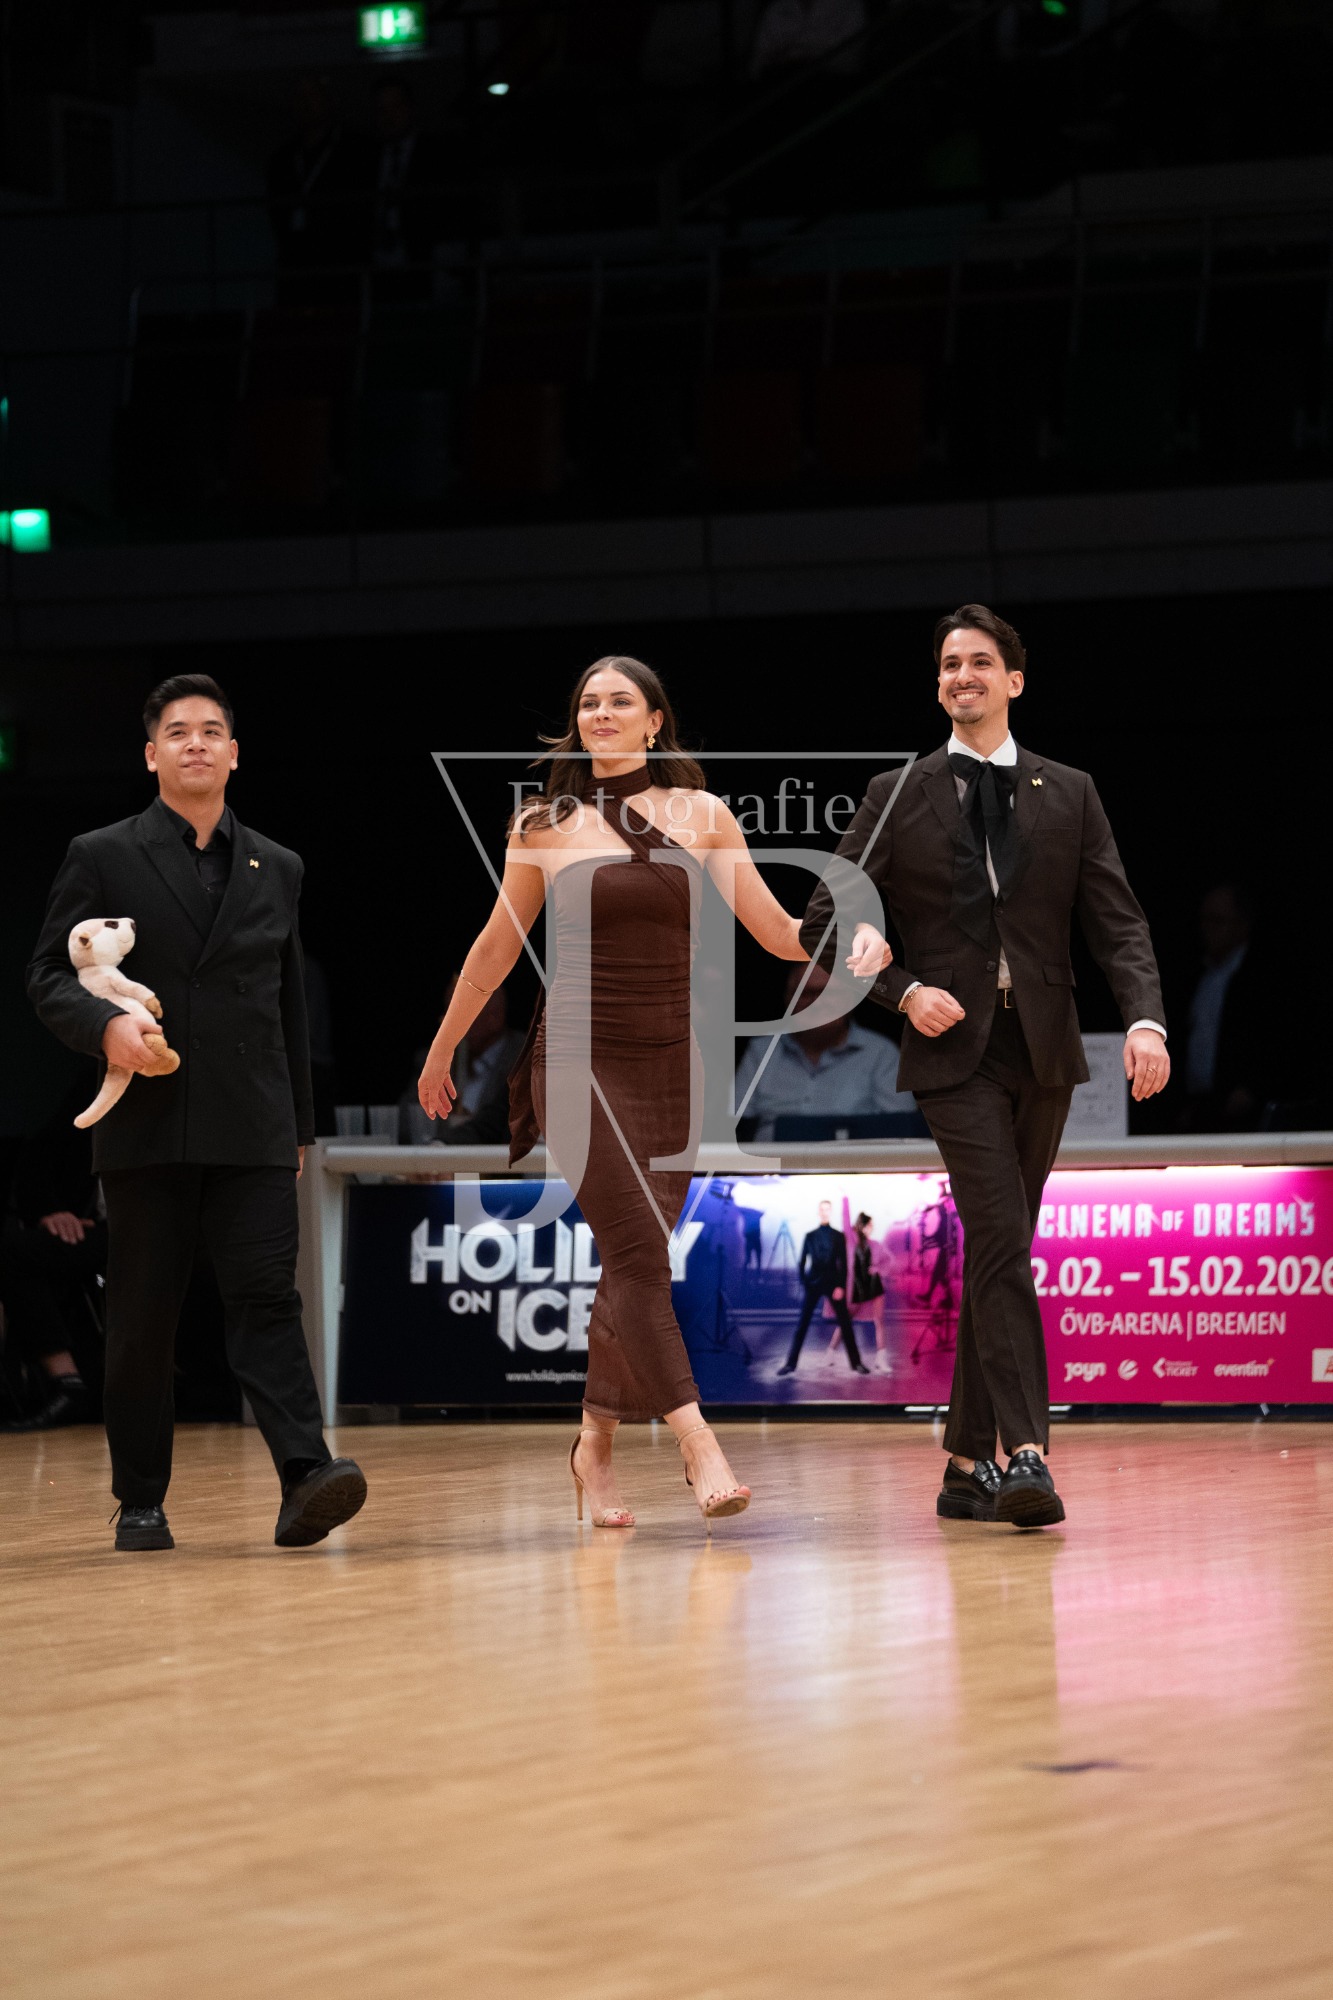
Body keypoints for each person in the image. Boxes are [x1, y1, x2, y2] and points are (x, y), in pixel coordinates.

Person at [417, 653, 888, 1528]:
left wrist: (852, 938)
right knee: (640, 1259)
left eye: (618, 701)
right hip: (575, 1059)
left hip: (672, 1063)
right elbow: (493, 950)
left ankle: (592, 1445)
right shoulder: (542, 825)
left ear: (653, 720)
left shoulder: (703, 815)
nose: (600, 714)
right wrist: (443, 1047)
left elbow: (777, 932)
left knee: (626, 1266)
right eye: (588, 703)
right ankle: (696, 1441)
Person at [800, 604, 1169, 1528]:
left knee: (1000, 1246)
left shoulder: (1069, 790)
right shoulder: (896, 791)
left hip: (1042, 1048)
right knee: (1001, 1234)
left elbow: (1116, 920)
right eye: (946, 665)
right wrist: (900, 992)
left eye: (977, 662)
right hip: (949, 1048)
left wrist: (1145, 1021)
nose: (959, 675)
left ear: (1013, 680)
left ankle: (964, 1464)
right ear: (937, 686)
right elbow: (821, 923)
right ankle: (1025, 1450)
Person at [26, 673, 365, 1553]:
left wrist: (298, 1124)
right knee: (144, 1315)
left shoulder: (277, 865)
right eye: (178, 732)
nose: (196, 744)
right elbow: (49, 975)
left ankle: (305, 1473)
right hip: (147, 1122)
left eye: (212, 731)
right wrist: (105, 1027)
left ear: (235, 753)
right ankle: (140, 1497)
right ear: (152, 755)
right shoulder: (103, 853)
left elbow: (286, 1004)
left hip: (253, 1121)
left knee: (267, 1299)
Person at [0, 1073, 105, 1431]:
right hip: (96, 1229)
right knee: (13, 1251)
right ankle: (67, 1381)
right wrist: (51, 1211)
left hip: (152, 1231)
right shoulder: (94, 1088)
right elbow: (41, 1154)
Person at [733, 959, 915, 1140]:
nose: (817, 1003)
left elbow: (903, 1129)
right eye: (806, 993)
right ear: (788, 999)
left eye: (828, 993)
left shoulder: (881, 1054)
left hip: (853, 1157)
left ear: (851, 1000)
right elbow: (734, 1123)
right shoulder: (762, 1051)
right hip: (770, 1157)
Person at [399, 976, 526, 1145]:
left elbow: (493, 1125)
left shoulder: (526, 1059)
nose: (445, 1023)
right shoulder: (434, 1060)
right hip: (441, 1157)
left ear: (494, 1017)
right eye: (447, 1013)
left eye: (457, 1013)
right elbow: (404, 1123)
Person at [1180, 881, 1263, 1130]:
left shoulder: (1260, 978)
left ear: (1242, 924)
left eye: (1217, 920)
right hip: (1199, 1103)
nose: (1208, 929)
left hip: (1241, 1105)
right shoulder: (1197, 975)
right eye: (1205, 920)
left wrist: (1253, 1087)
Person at [776, 1196, 868, 1377]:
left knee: (845, 1324)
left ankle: (856, 1363)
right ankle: (790, 1364)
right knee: (802, 1324)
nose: (824, 1212)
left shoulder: (838, 1236)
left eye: (827, 1209)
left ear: (830, 1212)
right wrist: (806, 1283)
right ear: (819, 1212)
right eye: (822, 1209)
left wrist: (840, 1286)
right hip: (813, 1284)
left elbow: (843, 1263)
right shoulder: (810, 1236)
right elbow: (802, 1262)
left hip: (833, 1284)